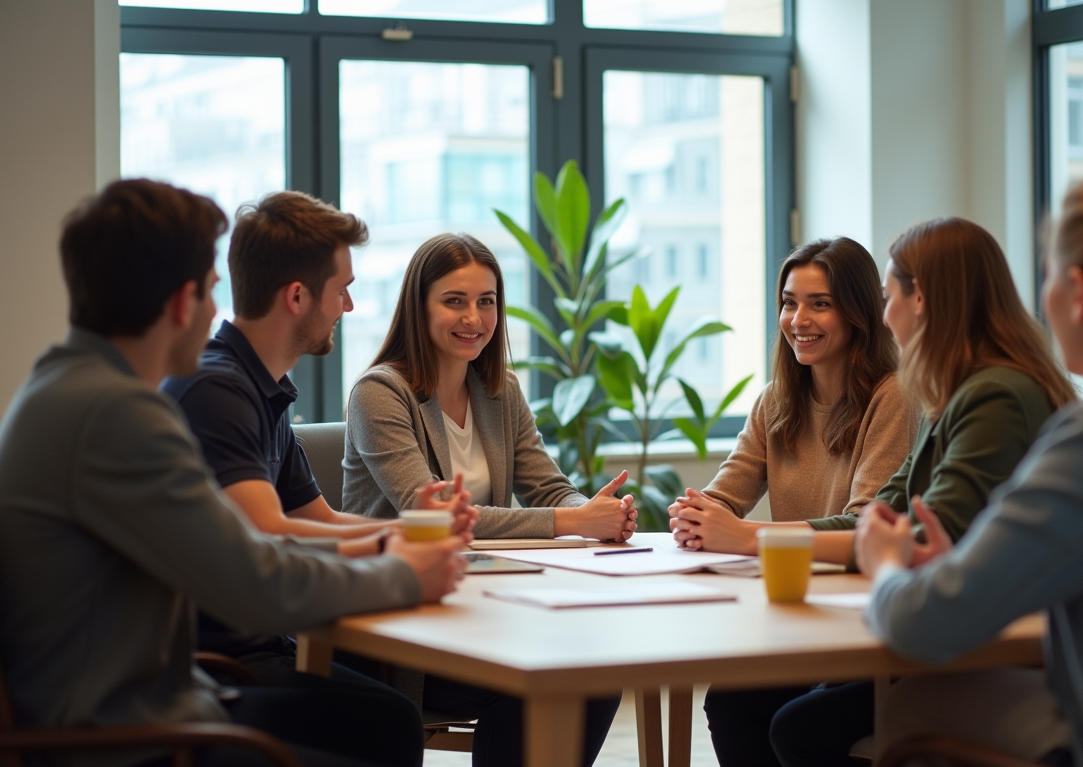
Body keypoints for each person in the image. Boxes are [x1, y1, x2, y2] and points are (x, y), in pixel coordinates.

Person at [0, 178, 467, 767]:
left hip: (144, 708)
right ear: (180, 302)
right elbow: (259, 583)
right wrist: (405, 574)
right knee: (382, 730)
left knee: (384, 724)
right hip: (127, 743)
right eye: (212, 290)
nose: (219, 311)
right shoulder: (117, 415)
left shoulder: (64, 388)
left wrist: (393, 545)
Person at [846, 164, 1083, 767]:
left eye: (1047, 277)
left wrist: (882, 567)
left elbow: (923, 624)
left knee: (905, 708)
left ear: (1080, 292)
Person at [769, 217, 1077, 767]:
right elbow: (882, 514)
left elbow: (927, 532)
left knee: (798, 723)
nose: (885, 316)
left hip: (997, 645)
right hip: (968, 626)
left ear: (923, 300)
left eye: (889, 299)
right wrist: (759, 538)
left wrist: (760, 540)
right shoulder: (958, 395)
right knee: (772, 705)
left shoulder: (997, 396)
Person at [162, 191, 476, 692]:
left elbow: (320, 521)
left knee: (389, 714)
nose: (348, 307)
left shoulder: (258, 387)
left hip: (269, 641)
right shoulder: (216, 391)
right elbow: (267, 531)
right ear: (296, 297)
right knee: (389, 721)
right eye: (342, 290)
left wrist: (418, 531)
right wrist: (393, 543)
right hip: (220, 668)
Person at [340, 232, 628, 767]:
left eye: (487, 301)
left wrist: (598, 509)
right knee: (529, 679)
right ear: (417, 307)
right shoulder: (378, 393)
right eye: (455, 301)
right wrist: (575, 519)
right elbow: (430, 514)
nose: (474, 317)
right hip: (400, 629)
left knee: (598, 669)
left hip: (483, 609)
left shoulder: (500, 392)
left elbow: (547, 486)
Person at [664, 237, 919, 766]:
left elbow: (863, 526)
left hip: (867, 629)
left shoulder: (893, 395)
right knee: (731, 701)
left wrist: (743, 535)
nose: (798, 318)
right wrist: (695, 515)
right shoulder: (776, 399)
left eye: (819, 304)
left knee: (792, 725)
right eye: (788, 302)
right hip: (803, 620)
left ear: (858, 313)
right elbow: (723, 495)